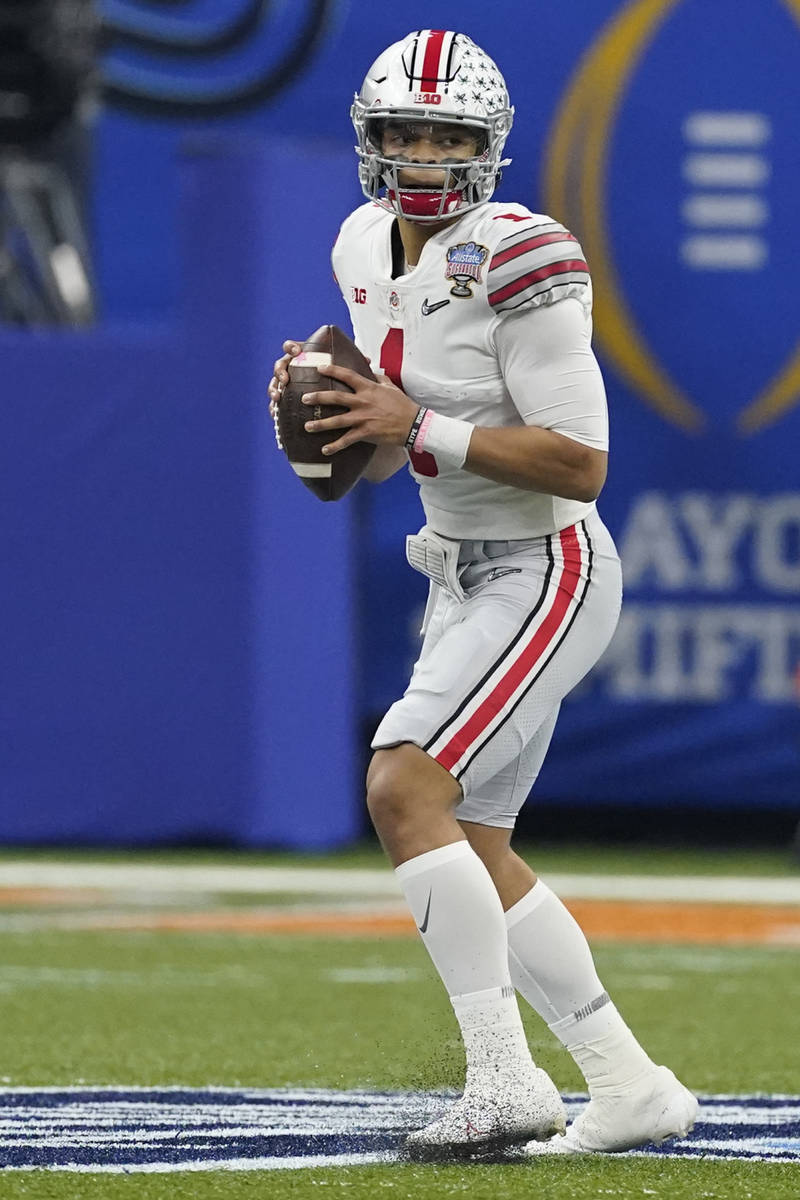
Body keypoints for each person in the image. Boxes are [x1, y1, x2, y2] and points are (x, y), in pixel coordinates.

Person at [269, 29, 697, 1160]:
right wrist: (333, 414)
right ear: (368, 140)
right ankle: (627, 1080)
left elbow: (579, 463)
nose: (420, 153)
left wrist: (416, 423)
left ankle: (503, 1081)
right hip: (459, 572)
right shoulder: (360, 243)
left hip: (545, 566)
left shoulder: (522, 255)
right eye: (403, 131)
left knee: (401, 786)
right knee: (474, 842)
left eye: (445, 135)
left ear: (487, 149)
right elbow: (369, 459)